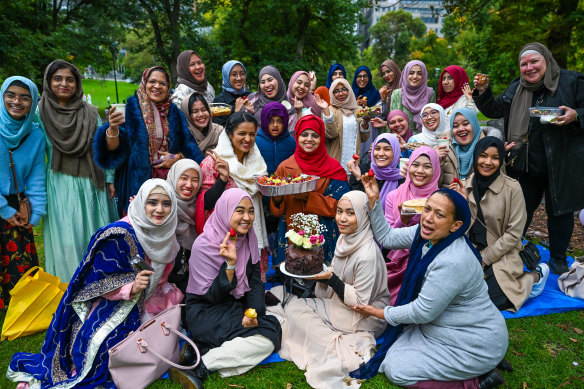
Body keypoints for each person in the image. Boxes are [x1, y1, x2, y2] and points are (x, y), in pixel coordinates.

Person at [8, 179, 183, 388]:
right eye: (152, 202)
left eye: (166, 204)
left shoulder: (167, 232)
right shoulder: (118, 235)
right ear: (141, 203)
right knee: (104, 350)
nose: (160, 210)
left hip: (152, 299)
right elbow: (95, 281)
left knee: (162, 338)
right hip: (114, 301)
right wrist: (131, 287)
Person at [351, 186, 508, 389]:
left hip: (473, 342)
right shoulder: (424, 236)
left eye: (439, 214)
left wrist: (380, 313)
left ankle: (477, 380)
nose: (428, 218)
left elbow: (423, 312)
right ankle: (475, 368)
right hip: (445, 329)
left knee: (396, 370)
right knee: (392, 352)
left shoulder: (453, 260)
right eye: (427, 209)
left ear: (455, 225)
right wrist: (374, 201)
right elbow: (387, 238)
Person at [472, 42, 584, 275]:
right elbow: (495, 110)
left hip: (561, 162)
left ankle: (558, 257)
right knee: (519, 210)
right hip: (525, 163)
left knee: (559, 211)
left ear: (547, 60)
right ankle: (510, 250)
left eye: (535, 62)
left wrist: (576, 116)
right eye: (524, 64)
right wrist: (483, 92)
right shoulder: (517, 87)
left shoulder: (571, 82)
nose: (529, 68)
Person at [270, 191, 390, 388]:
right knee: (290, 303)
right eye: (339, 211)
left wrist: (331, 280)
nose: (342, 218)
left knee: (294, 310)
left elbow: (361, 303)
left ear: (363, 216)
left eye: (350, 213)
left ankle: (345, 350)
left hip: (365, 317)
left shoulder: (367, 254)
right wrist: (324, 278)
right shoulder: (345, 240)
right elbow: (334, 277)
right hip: (341, 305)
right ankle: (326, 335)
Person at [177, 188, 281, 386]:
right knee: (269, 335)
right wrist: (230, 265)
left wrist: (253, 313)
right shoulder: (204, 245)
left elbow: (256, 281)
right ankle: (202, 365)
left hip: (233, 306)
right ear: (225, 211)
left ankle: (202, 350)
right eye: (239, 211)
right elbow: (209, 296)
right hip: (205, 311)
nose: (247, 217)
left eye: (251, 211)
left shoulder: (248, 238)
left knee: (271, 325)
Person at [37, 60, 117, 282]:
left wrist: (110, 179)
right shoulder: (39, 113)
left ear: (77, 83)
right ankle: (69, 292)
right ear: (48, 82)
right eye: (58, 79)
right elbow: (33, 153)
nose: (64, 83)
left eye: (70, 79)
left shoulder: (91, 113)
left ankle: (101, 289)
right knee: (67, 241)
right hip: (59, 184)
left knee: (94, 236)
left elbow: (102, 147)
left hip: (92, 184)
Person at [451, 137, 549, 312]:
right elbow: (455, 228)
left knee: (492, 301)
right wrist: (460, 202)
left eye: (495, 157)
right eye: (483, 156)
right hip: (468, 252)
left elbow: (514, 233)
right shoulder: (464, 185)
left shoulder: (512, 189)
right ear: (475, 157)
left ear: (501, 159)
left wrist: (485, 258)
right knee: (459, 295)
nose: (488, 162)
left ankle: (535, 277)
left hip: (501, 252)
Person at [94, 66, 204, 216]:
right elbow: (114, 152)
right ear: (144, 83)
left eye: (162, 83)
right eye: (152, 81)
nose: (157, 86)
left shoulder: (175, 114)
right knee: (138, 225)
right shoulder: (130, 112)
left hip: (167, 183)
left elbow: (189, 148)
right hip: (136, 181)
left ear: (168, 87)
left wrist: (177, 158)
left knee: (164, 222)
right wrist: (113, 129)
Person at [195, 112, 270, 278]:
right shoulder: (214, 161)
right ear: (229, 135)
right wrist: (222, 179)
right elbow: (205, 203)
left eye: (252, 134)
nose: (247, 139)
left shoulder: (256, 163)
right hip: (226, 237)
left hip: (251, 230)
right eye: (241, 134)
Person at [270, 115, 350, 265]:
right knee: (293, 279)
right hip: (291, 232)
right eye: (304, 134)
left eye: (315, 135)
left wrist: (308, 197)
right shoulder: (285, 167)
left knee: (321, 280)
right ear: (297, 136)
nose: (309, 139)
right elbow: (276, 212)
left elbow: (342, 207)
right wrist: (278, 198)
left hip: (323, 236)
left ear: (322, 138)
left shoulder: (334, 168)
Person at [0, 77, 45, 310]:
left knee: (18, 259)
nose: (17, 101)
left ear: (33, 101)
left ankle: (15, 302)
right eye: (11, 95)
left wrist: (32, 210)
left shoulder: (35, 133)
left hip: (17, 200)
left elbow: (37, 174)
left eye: (25, 97)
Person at [384, 146, 441, 305]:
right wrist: (403, 220)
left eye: (427, 166)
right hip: (396, 261)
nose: (420, 171)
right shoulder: (393, 196)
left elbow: (442, 235)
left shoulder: (440, 199)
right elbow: (387, 237)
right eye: (415, 165)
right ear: (409, 166)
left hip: (428, 260)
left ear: (435, 170)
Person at [166, 159, 202, 295]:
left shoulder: (199, 208)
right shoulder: (162, 204)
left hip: (189, 284)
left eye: (195, 180)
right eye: (184, 178)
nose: (189, 185)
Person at [320, 78, 369, 169]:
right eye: (336, 91)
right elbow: (331, 135)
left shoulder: (358, 109)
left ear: (349, 90)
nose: (341, 93)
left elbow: (364, 138)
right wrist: (326, 112)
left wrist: (365, 122)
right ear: (332, 94)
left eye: (344, 89)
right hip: (336, 162)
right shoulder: (329, 110)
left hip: (354, 162)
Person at [347, 133, 403, 212]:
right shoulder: (361, 170)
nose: (380, 154)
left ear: (396, 152)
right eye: (377, 149)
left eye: (387, 149)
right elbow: (354, 204)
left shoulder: (401, 177)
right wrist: (358, 178)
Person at [439, 107, 483, 187]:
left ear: (474, 124)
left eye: (465, 124)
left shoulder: (488, 149)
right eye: (455, 126)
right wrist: (436, 160)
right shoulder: (442, 149)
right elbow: (434, 184)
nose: (461, 129)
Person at [390, 60, 435, 132]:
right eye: (411, 73)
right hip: (401, 139)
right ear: (405, 74)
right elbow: (392, 121)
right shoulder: (397, 94)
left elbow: (433, 120)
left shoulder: (430, 94)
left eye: (419, 74)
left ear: (424, 76)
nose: (415, 76)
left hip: (424, 139)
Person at [255, 101, 296, 176]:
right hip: (261, 184)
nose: (275, 125)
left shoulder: (292, 143)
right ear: (264, 121)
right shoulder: (255, 142)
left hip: (285, 185)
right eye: (271, 121)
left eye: (279, 121)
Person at [213, 60, 254, 126]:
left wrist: (251, 113)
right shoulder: (220, 101)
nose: (239, 78)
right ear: (226, 77)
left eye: (242, 74)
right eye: (234, 74)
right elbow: (220, 130)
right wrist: (236, 112)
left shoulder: (251, 96)